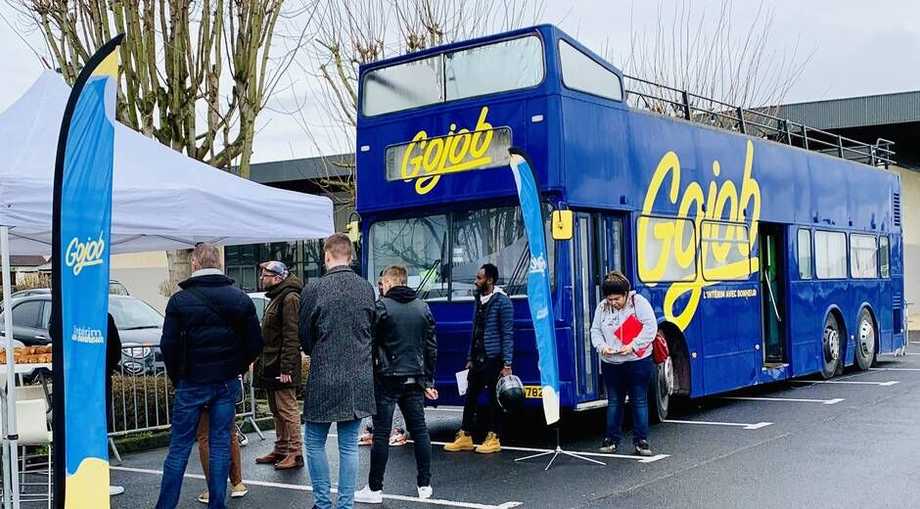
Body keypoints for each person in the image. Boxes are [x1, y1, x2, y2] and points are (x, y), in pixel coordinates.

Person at [156, 243, 263, 509]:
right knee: (220, 445)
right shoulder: (240, 298)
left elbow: (168, 346)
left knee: (179, 448)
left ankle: (165, 505)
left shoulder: (179, 301)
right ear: (220, 263)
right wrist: (236, 367)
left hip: (191, 381)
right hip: (226, 381)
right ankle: (218, 503)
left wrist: (178, 377)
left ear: (195, 264)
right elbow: (255, 344)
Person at [299, 233, 375, 509]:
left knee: (314, 442)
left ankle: (322, 503)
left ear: (327, 256)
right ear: (351, 256)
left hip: (324, 376)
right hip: (358, 377)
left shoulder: (314, 288)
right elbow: (372, 331)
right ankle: (345, 505)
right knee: (348, 446)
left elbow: (305, 337)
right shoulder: (366, 288)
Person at [355, 265, 438, 504]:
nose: (381, 287)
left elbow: (369, 343)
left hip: (386, 377)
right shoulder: (423, 307)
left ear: (390, 283)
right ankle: (424, 484)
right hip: (415, 376)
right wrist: (428, 379)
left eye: (382, 283)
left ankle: (375, 488)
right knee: (420, 430)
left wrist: (369, 373)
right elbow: (431, 347)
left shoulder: (381, 307)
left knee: (381, 434)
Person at [443, 263, 513, 454]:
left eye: (479, 278)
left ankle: (494, 437)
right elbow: (475, 330)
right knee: (470, 396)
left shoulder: (502, 301)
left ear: (489, 280)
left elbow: (507, 334)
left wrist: (507, 363)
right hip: (477, 357)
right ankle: (465, 435)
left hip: (493, 357)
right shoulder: (478, 298)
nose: (476, 281)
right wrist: (469, 357)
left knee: (493, 399)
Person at [590, 271, 657, 457]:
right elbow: (595, 331)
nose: (613, 302)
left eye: (617, 298)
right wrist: (602, 347)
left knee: (639, 400)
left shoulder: (639, 303)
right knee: (614, 401)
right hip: (611, 362)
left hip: (637, 361)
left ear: (626, 294)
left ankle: (641, 441)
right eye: (609, 299)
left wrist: (633, 346)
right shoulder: (602, 308)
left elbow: (651, 327)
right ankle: (611, 439)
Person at [253, 261, 304, 470]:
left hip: (280, 365)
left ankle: (295, 452)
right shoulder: (277, 296)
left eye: (265, 275)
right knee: (276, 410)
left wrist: (286, 369)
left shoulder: (290, 298)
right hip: (270, 363)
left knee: (287, 409)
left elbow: (292, 336)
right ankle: (281, 448)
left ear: (277, 277)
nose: (261, 278)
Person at [359, 272, 409, 448]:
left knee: (394, 398)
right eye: (379, 283)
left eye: (383, 283)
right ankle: (372, 429)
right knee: (374, 395)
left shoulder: (389, 306)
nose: (381, 286)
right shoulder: (378, 304)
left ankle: (397, 431)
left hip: (391, 359)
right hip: (380, 359)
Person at [194, 401, 248, 504]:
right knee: (230, 433)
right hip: (225, 391)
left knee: (205, 436)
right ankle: (237, 484)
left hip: (201, 392)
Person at [106, 314, 125, 497]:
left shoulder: (67, 311)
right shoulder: (104, 316)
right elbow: (116, 350)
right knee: (100, 427)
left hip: (74, 380)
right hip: (101, 377)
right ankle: (100, 478)